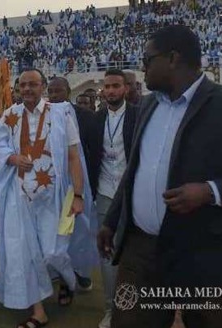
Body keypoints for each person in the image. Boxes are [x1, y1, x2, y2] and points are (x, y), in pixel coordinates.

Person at [97, 25, 222, 328]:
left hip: (208, 255)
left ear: (172, 58)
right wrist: (111, 220)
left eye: (146, 58)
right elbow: (134, 170)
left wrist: (210, 191)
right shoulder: (146, 105)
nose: (141, 66)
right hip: (142, 251)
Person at [0, 69, 88, 327]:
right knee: (24, 252)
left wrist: (78, 194)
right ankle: (38, 311)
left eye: (33, 84)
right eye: (23, 85)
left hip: (54, 194)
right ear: (18, 89)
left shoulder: (60, 112)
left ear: (42, 86)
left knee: (54, 252)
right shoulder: (11, 115)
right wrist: (12, 158)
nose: (28, 89)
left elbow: (73, 156)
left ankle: (68, 280)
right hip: (19, 195)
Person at [89, 68, 138, 328]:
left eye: (115, 86)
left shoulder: (139, 116)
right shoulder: (96, 120)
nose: (110, 91)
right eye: (106, 86)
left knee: (135, 254)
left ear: (125, 89)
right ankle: (111, 309)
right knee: (107, 254)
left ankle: (135, 308)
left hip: (133, 195)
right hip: (105, 194)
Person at [47, 76, 97, 298]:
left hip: (78, 183)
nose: (54, 95)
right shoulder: (43, 115)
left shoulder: (84, 116)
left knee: (79, 230)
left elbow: (93, 152)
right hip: (51, 185)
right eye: (51, 91)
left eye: (58, 91)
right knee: (55, 231)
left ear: (68, 92)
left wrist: (87, 187)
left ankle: (79, 272)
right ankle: (60, 277)